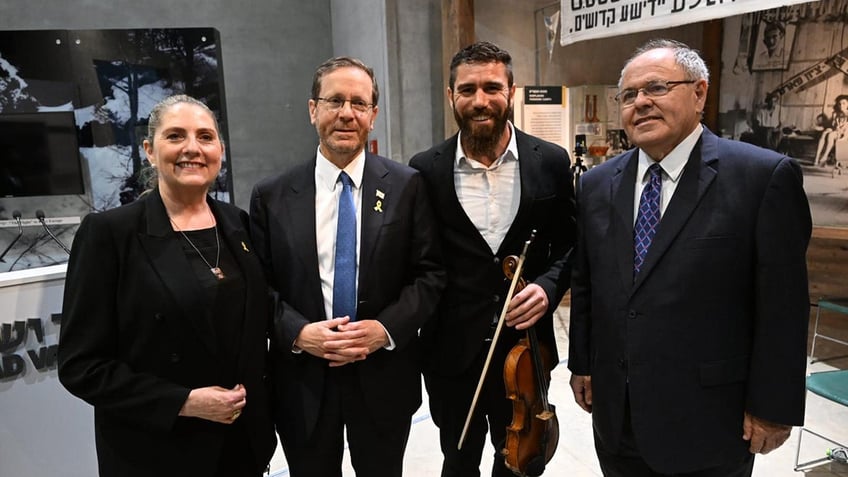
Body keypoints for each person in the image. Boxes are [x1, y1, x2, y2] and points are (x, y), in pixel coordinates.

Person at [568, 39, 811, 477]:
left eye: (657, 88)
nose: (640, 103)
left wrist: (773, 407)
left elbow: (783, 306)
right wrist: (583, 365)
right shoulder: (598, 184)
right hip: (617, 417)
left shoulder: (762, 177)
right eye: (628, 95)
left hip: (710, 421)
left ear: (700, 93)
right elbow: (588, 283)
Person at [58, 95, 276, 477]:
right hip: (157, 451)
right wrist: (183, 402)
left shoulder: (237, 223)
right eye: (176, 136)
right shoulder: (110, 234)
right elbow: (81, 366)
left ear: (220, 151)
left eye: (205, 137)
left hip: (241, 445)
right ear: (149, 150)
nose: (192, 148)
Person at [249, 56, 445, 477]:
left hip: (383, 377)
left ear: (373, 115)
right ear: (312, 109)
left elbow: (430, 274)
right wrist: (298, 333)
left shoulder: (407, 186)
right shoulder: (272, 195)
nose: (346, 113)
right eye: (334, 100)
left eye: (359, 103)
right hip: (303, 378)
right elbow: (257, 287)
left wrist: (385, 329)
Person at [409, 41, 577, 477]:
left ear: (511, 91)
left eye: (491, 87)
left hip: (526, 354)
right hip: (451, 352)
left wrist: (548, 286)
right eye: (467, 89)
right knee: (458, 459)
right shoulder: (424, 169)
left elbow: (572, 245)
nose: (480, 100)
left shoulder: (551, 162)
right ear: (451, 96)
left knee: (522, 461)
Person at [814, 94, 848, 167]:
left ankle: (825, 156)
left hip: (845, 133)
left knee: (830, 135)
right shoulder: (835, 113)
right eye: (839, 104)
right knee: (825, 133)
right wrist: (829, 128)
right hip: (836, 131)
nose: (841, 105)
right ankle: (816, 158)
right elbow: (833, 125)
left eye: (844, 103)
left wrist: (839, 130)